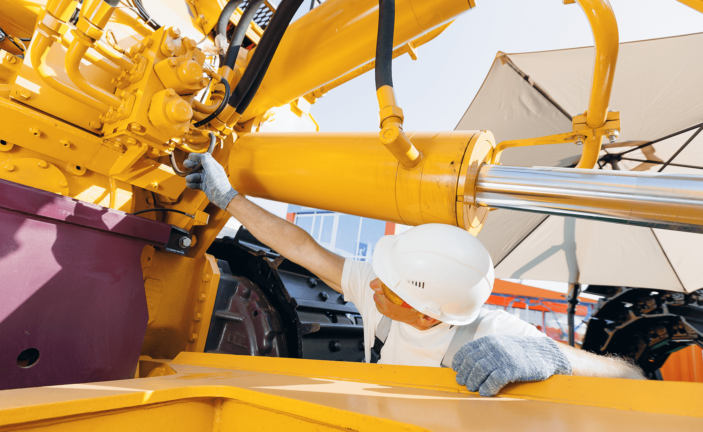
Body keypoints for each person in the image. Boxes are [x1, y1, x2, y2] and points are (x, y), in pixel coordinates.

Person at [184, 152, 646, 396]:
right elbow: (306, 250)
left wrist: (555, 361)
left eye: (389, 288)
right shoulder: (389, 297)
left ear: (427, 318)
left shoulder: (495, 337)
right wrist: (228, 198)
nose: (373, 285)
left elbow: (631, 382)